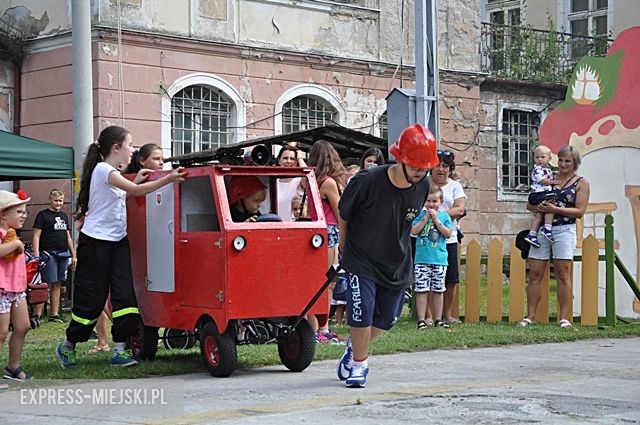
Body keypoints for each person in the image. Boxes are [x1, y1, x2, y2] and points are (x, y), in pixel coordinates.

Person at [55, 125, 185, 369]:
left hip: (117, 241)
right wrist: (169, 178)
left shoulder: (112, 173)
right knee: (91, 299)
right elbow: (135, 191)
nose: (132, 150)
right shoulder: (104, 169)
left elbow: (121, 196)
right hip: (95, 243)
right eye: (130, 145)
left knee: (125, 295)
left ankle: (119, 350)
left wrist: (134, 180)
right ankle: (67, 346)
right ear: (116, 148)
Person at [337, 123, 439, 388]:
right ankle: (360, 364)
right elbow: (344, 213)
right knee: (362, 311)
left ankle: (354, 347)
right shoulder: (367, 180)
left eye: (424, 167)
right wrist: (344, 247)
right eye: (415, 166)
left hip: (397, 260)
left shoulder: (423, 186)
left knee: (387, 319)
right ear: (399, 159)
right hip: (361, 256)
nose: (419, 172)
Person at [518, 145, 590, 329]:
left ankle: (564, 318)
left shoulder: (581, 182)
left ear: (575, 163)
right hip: (542, 228)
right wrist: (540, 209)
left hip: (564, 229)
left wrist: (555, 209)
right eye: (561, 160)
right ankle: (530, 316)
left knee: (562, 273)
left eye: (568, 161)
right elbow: (530, 204)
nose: (564, 164)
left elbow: (580, 211)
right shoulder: (548, 177)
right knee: (534, 273)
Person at [308, 140, 348, 342]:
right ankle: (322, 328)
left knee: (316, 281)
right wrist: (344, 238)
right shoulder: (328, 183)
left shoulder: (310, 180)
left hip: (314, 232)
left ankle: (316, 327)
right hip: (330, 230)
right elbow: (340, 211)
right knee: (327, 282)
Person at [428, 149, 466, 324]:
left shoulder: (455, 186)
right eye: (437, 165)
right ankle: (427, 316)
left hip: (448, 238)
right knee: (427, 276)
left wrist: (438, 217)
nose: (441, 169)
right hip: (425, 239)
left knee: (450, 277)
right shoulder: (423, 183)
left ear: (450, 169)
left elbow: (460, 208)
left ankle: (447, 314)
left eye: (445, 166)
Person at [31, 189, 76, 325]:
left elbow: (68, 236)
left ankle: (54, 314)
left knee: (57, 283)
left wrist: (73, 254)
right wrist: (37, 255)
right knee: (46, 283)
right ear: (50, 200)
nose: (59, 203)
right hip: (49, 254)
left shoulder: (63, 216)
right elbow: (36, 235)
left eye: (61, 201)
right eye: (56, 201)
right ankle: (37, 314)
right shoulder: (43, 215)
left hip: (63, 253)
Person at [0, 189, 32, 381]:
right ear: (4, 214)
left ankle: (13, 366)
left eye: (25, 212)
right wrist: (15, 245)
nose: (24, 216)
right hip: (2, 289)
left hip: (16, 288)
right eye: (19, 212)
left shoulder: (13, 234)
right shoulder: (5, 236)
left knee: (23, 326)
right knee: (1, 332)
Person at [411, 186, 453, 329]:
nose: (431, 204)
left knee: (438, 289)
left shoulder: (444, 216)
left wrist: (436, 219)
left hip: (439, 259)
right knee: (422, 290)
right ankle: (421, 319)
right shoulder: (420, 215)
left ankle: (437, 318)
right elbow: (414, 231)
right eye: (428, 201)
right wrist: (425, 218)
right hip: (422, 259)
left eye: (434, 201)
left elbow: (447, 233)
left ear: (440, 202)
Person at [524, 145, 561, 248]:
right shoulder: (537, 169)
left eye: (542, 157)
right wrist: (556, 182)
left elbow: (549, 175)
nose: (539, 159)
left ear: (549, 158)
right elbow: (543, 181)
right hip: (537, 194)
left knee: (539, 215)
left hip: (541, 194)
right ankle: (547, 227)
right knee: (551, 204)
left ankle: (532, 235)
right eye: (537, 157)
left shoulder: (547, 168)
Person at [275, 145, 306, 222]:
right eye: (285, 158)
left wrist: (300, 159)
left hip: (295, 229)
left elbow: (308, 176)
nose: (288, 161)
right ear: (279, 160)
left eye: (292, 159)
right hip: (275, 228)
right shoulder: (273, 183)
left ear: (296, 162)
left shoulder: (300, 181)